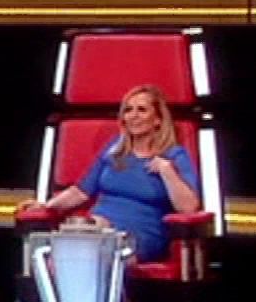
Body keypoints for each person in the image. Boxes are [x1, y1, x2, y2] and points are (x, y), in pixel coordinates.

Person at [17, 84, 201, 263]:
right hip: (99, 225)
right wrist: (46, 206)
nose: (133, 116)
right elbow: (81, 191)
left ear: (157, 120)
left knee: (98, 254)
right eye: (128, 110)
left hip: (142, 234)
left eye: (142, 110)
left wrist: (167, 172)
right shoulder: (114, 150)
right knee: (64, 251)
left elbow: (189, 208)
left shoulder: (174, 155)